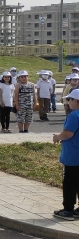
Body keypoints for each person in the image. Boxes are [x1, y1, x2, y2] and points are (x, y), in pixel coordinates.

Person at [52, 89, 79, 221]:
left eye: (69, 100)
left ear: (76, 101)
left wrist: (57, 137)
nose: (68, 102)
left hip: (73, 155)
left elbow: (68, 133)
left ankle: (68, 210)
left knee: (70, 183)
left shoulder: (74, 116)